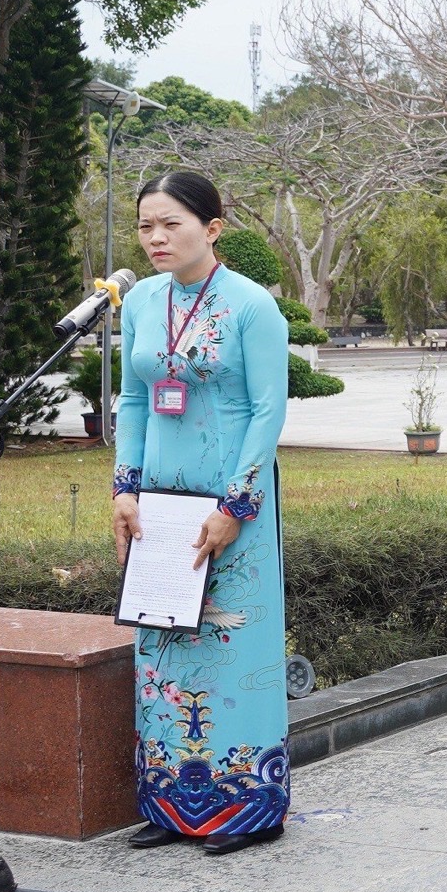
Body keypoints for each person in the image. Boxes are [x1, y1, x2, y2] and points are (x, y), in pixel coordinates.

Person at [110, 169, 293, 854]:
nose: (155, 238)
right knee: (161, 647)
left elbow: (269, 409)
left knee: (230, 649)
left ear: (212, 229)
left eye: (171, 224)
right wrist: (124, 490)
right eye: (145, 225)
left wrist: (237, 504)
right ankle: (169, 805)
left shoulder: (251, 305)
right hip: (159, 508)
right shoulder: (141, 301)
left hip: (231, 506)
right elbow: (134, 399)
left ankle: (245, 810)